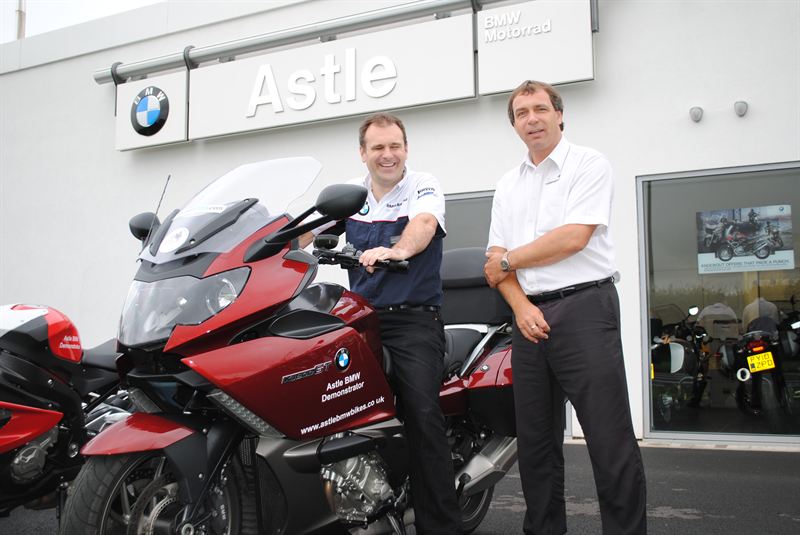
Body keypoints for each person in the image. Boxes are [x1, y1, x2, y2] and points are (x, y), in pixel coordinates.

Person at [483, 80, 647, 535]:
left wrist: (510, 261)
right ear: (514, 125)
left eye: (540, 109)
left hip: (585, 309)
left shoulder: (588, 164)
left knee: (609, 440)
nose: (532, 119)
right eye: (521, 113)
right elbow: (493, 261)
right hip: (528, 318)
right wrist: (520, 307)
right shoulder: (508, 184)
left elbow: (573, 238)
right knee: (536, 446)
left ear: (559, 115)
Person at [311, 113, 462, 534]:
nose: (388, 154)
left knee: (422, 414)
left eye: (395, 145)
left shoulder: (422, 186)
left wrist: (397, 251)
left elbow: (423, 225)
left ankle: (440, 527)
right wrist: (260, 248)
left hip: (413, 321)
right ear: (363, 153)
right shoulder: (352, 196)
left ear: (406, 149)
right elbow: (304, 231)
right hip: (360, 321)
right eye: (378, 147)